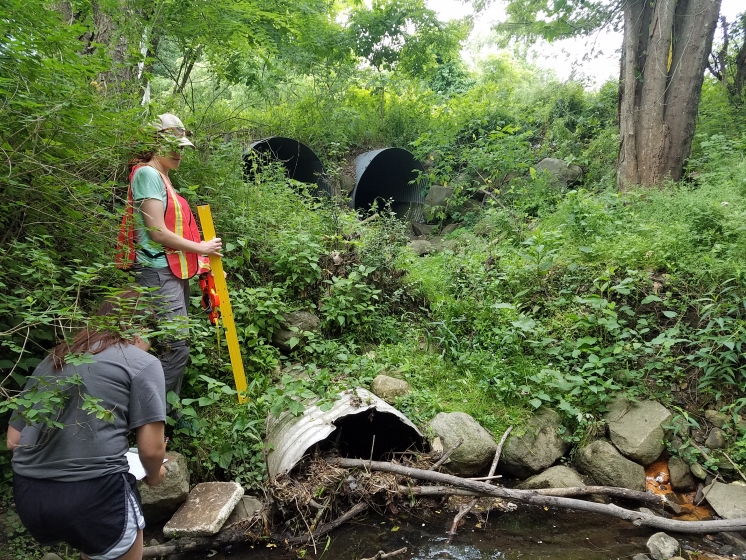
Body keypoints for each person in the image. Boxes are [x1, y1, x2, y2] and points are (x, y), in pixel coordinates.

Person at [6, 293, 168, 560]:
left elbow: (13, 440)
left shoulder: (56, 356)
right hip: (95, 495)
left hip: (30, 495)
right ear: (141, 331)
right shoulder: (142, 363)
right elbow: (151, 452)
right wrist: (155, 475)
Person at [116, 113, 222, 398]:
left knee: (150, 340)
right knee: (176, 346)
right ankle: (148, 415)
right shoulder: (148, 174)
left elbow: (175, 233)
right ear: (154, 143)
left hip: (171, 272)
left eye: (181, 146)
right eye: (171, 145)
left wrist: (201, 261)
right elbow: (157, 232)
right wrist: (202, 248)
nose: (178, 152)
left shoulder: (161, 177)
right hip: (159, 272)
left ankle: (158, 415)